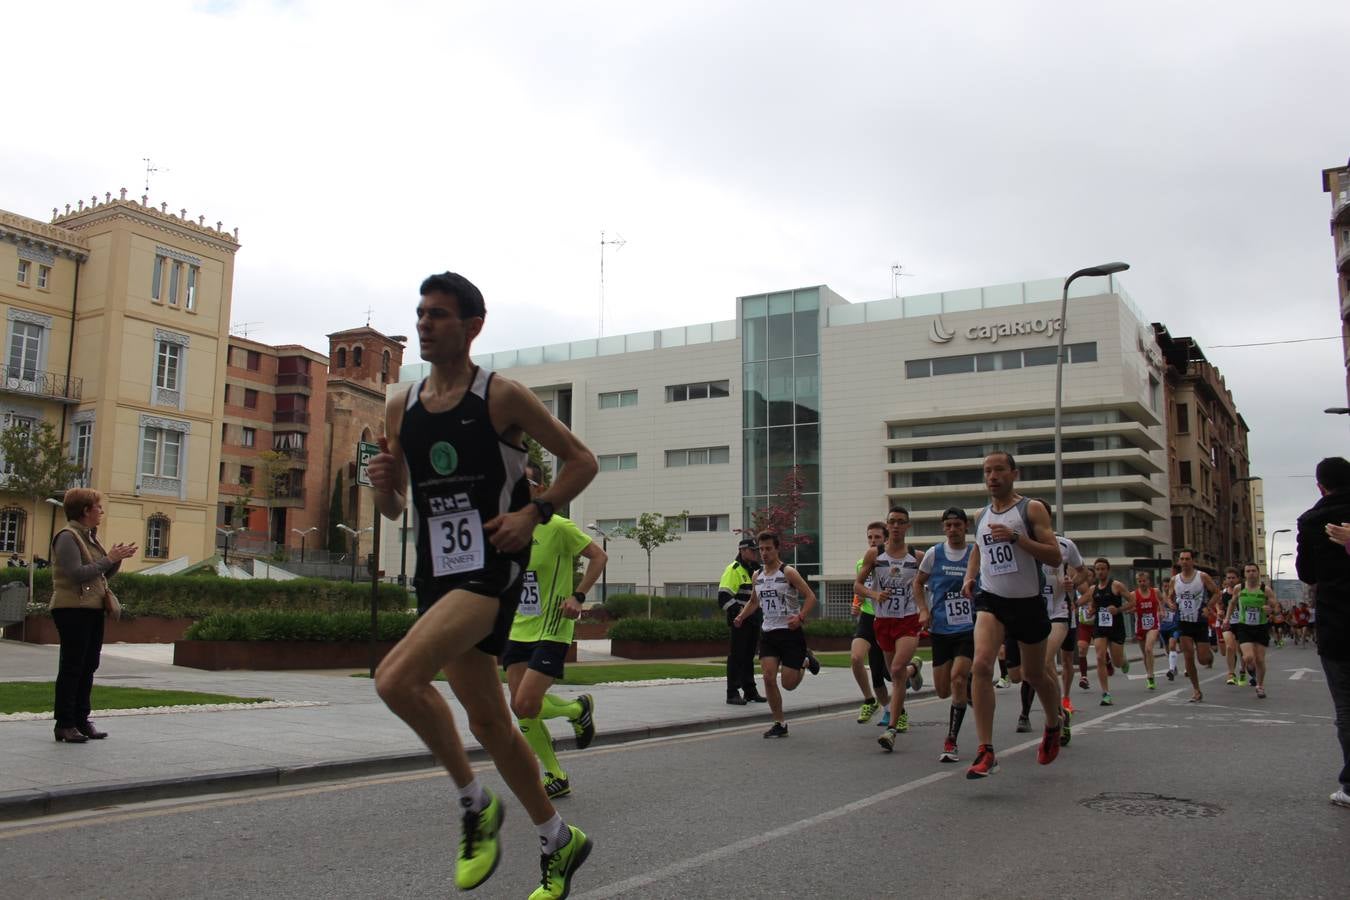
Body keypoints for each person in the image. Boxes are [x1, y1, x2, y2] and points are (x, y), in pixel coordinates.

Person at [368, 272, 597, 899]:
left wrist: (536, 511)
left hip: (491, 568)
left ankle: (475, 804)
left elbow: (583, 461)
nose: (424, 324)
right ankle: (559, 840)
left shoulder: (502, 397)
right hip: (435, 573)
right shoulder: (399, 405)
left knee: (395, 679)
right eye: (420, 313)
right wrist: (381, 482)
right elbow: (392, 509)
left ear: (472, 327)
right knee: (491, 722)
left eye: (438, 315)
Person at [502, 461, 608, 800]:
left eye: (523, 481)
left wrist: (578, 595)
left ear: (537, 488)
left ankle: (577, 710)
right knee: (520, 709)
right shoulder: (509, 530)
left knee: (526, 701)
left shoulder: (558, 526)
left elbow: (599, 557)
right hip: (518, 628)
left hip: (552, 627)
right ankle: (556, 774)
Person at [960, 452, 1064, 778]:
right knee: (980, 665)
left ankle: (1053, 723)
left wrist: (1018, 539)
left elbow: (1055, 556)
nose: (992, 476)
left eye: (999, 470)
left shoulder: (1029, 509)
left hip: (1028, 603)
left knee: (1035, 675)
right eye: (987, 471)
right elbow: (979, 547)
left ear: (1014, 473)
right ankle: (986, 750)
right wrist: (970, 575)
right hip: (992, 600)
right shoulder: (980, 515)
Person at [49, 488, 137, 743]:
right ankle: (64, 723)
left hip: (92, 608)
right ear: (85, 510)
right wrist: (108, 558)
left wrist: (115, 561)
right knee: (72, 666)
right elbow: (76, 574)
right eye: (98, 507)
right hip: (72, 609)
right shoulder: (67, 537)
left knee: (88, 666)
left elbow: (98, 575)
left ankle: (81, 720)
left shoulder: (89, 537)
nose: (101, 512)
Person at [1295, 458, 1350, 809]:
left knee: (1345, 706)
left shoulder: (1311, 521)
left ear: (1320, 486)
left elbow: (1307, 573)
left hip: (1337, 621)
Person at [855, 506, 928, 753]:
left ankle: (892, 729)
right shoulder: (874, 555)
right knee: (895, 674)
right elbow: (857, 585)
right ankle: (914, 668)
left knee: (895, 670)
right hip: (883, 621)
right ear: (888, 527)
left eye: (901, 522)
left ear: (907, 527)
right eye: (892, 522)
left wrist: (925, 610)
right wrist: (874, 593)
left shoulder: (917, 557)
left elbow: (928, 585)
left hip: (908, 620)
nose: (896, 526)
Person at [734, 531, 820, 737]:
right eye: (761, 549)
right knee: (768, 677)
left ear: (777, 549)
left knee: (788, 684)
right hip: (769, 634)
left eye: (768, 549)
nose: (764, 553)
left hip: (790, 633)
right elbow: (754, 602)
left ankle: (805, 661)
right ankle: (779, 723)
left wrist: (799, 617)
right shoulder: (757, 576)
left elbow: (810, 597)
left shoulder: (788, 572)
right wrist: (741, 617)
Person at [915, 507, 976, 762]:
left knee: (958, 678)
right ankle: (970, 688)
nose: (953, 530)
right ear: (943, 528)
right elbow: (917, 583)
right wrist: (923, 610)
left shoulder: (975, 554)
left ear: (965, 527)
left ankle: (951, 741)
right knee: (942, 690)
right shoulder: (934, 554)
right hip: (940, 628)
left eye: (957, 525)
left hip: (968, 628)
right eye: (948, 525)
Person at [850, 521, 893, 724]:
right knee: (856, 657)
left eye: (877, 537)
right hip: (868, 617)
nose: (873, 541)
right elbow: (860, 587)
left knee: (887, 674)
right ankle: (872, 702)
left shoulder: (893, 562)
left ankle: (912, 669)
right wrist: (857, 604)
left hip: (888, 618)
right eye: (870, 537)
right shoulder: (862, 563)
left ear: (886, 539)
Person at [1168, 549, 1222, 704]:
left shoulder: (1202, 577)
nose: (1184, 562)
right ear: (1179, 561)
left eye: (1187, 559)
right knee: (1188, 656)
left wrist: (1208, 606)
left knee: (1203, 659)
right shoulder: (1175, 580)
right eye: (1182, 559)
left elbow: (1217, 593)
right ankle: (1196, 690)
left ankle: (1209, 657)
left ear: (1192, 561)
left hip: (1199, 621)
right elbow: (1169, 596)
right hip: (1183, 622)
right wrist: (1171, 604)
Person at [719, 538, 763, 705]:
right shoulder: (734, 569)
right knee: (737, 656)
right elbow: (723, 597)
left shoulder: (756, 571)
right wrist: (740, 614)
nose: (755, 553)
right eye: (752, 550)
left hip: (753, 620)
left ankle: (750, 691)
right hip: (740, 621)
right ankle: (732, 692)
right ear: (742, 551)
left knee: (748, 656)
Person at [1225, 563, 1278, 699]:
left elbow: (1276, 606)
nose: (1251, 573)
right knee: (1248, 657)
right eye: (1248, 571)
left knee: (1260, 659)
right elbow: (1232, 604)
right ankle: (1248, 668)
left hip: (1261, 627)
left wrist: (1271, 610)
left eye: (1254, 571)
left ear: (1258, 573)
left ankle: (1260, 686)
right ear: (1244, 574)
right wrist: (1227, 619)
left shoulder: (1265, 590)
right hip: (1244, 627)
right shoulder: (1239, 588)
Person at [1084, 559, 1131, 705]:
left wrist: (1118, 610)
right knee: (1099, 657)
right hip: (1100, 627)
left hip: (1116, 627)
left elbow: (1133, 601)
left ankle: (1123, 661)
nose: (1100, 571)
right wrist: (1091, 611)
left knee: (1117, 663)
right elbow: (1093, 606)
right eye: (1097, 569)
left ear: (1108, 570)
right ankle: (1105, 693)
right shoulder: (1093, 589)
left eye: (1103, 569)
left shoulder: (1116, 585)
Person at [1131, 571, 1163, 690]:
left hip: (1153, 625)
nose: (1142, 583)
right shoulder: (1134, 594)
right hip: (1140, 627)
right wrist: (1130, 609)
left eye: (1144, 581)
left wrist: (1162, 610)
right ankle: (1149, 674)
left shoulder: (1155, 592)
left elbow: (1163, 600)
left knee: (1149, 649)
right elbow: (1128, 605)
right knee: (1145, 653)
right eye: (1140, 581)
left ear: (1148, 581)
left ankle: (1150, 675)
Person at [1217, 568, 1243, 685]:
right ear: (1225, 579)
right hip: (1228, 623)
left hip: (1242, 624)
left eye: (1233, 578)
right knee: (1229, 647)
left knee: (1242, 651)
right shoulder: (1223, 593)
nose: (1231, 580)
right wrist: (1219, 611)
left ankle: (1243, 670)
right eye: (1228, 578)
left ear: (1238, 579)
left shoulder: (1243, 591)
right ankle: (1231, 673)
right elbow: (1217, 604)